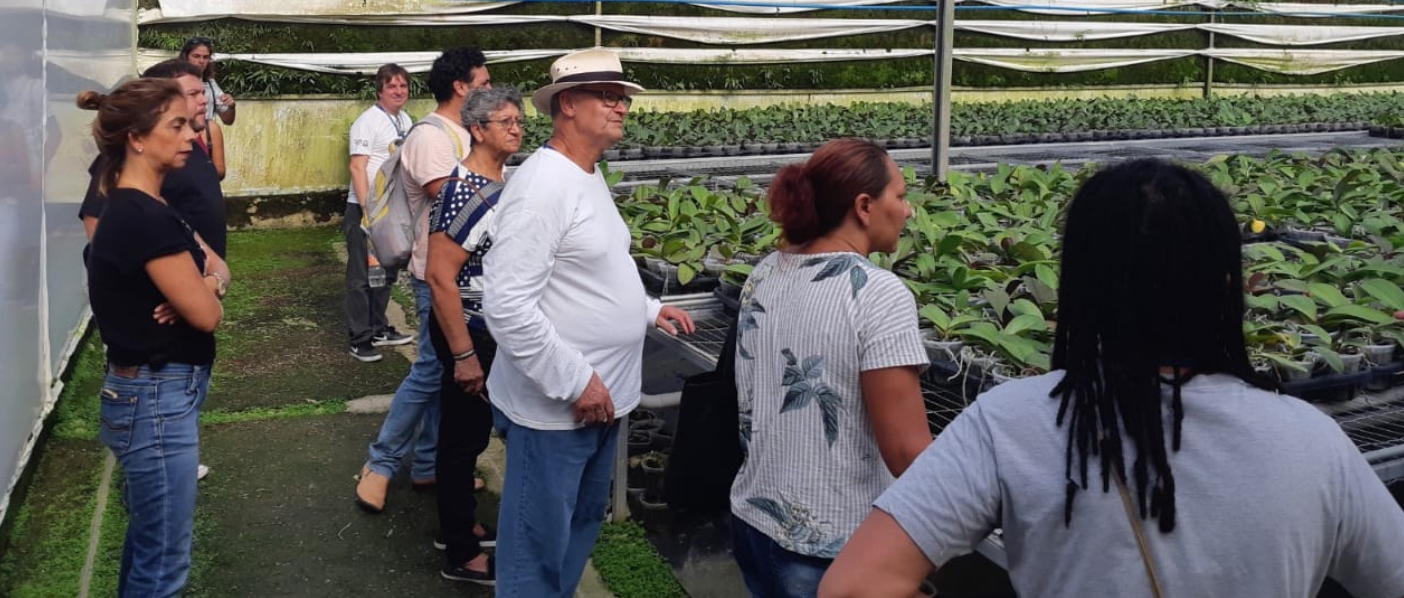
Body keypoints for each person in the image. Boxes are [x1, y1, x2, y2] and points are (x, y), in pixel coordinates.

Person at [820, 159, 1404, 598]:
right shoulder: (1312, 441)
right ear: (1228, 286)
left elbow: (852, 588)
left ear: (1079, 289)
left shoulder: (1014, 422)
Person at [482, 49, 695, 596]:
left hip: (604, 400)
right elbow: (507, 305)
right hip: (558, 411)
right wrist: (576, 381)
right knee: (536, 549)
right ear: (567, 104)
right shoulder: (542, 187)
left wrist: (646, 308)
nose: (620, 104)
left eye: (622, 95)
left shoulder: (586, 173)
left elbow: (601, 263)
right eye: (607, 94)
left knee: (578, 526)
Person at [722, 138, 930, 598]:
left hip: (754, 519)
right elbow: (907, 453)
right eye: (899, 196)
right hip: (831, 546)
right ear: (863, 206)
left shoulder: (767, 271)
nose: (909, 210)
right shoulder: (878, 293)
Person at [78, 77, 230, 598]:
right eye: (177, 125)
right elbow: (208, 316)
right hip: (155, 400)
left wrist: (205, 285)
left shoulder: (150, 207)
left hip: (153, 395)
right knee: (163, 564)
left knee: (151, 548)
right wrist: (206, 293)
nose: (191, 134)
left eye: (190, 124)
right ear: (137, 139)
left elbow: (219, 274)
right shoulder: (141, 215)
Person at [355, 47, 490, 513]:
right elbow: (458, 200)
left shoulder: (463, 133)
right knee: (431, 370)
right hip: (437, 274)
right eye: (484, 83)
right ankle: (380, 463)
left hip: (466, 275)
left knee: (450, 375)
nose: (489, 92)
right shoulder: (432, 137)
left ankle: (429, 463)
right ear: (461, 86)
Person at [424, 86, 525, 585]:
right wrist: (464, 354)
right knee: (463, 440)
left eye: (519, 120)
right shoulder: (463, 190)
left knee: (468, 434)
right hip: (468, 330)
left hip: (486, 327)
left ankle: (457, 524)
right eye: (504, 121)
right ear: (477, 130)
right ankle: (462, 552)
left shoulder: (503, 180)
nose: (516, 128)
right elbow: (440, 277)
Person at [344, 63, 415, 363]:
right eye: (392, 86)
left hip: (394, 209)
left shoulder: (406, 120)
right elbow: (357, 167)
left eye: (403, 86)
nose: (398, 91)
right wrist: (368, 211)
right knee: (361, 274)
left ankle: (378, 327)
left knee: (386, 270)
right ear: (380, 90)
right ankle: (359, 338)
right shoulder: (367, 122)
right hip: (366, 208)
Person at [180, 36, 235, 126]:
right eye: (196, 56)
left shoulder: (210, 84)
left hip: (206, 136)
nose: (201, 61)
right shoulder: (174, 81)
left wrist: (231, 106)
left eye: (205, 57)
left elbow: (228, 120)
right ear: (186, 57)